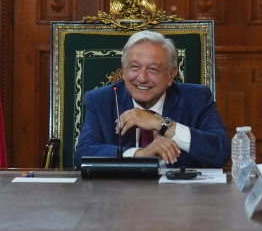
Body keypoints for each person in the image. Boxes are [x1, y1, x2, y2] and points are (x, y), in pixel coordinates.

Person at [75, 30, 230, 168]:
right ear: (123, 69)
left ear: (171, 74)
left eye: (153, 69)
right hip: (119, 195)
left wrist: (159, 123)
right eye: (134, 67)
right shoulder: (101, 100)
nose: (142, 78)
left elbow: (220, 152)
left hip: (178, 195)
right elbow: (82, 154)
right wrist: (139, 155)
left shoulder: (197, 98)